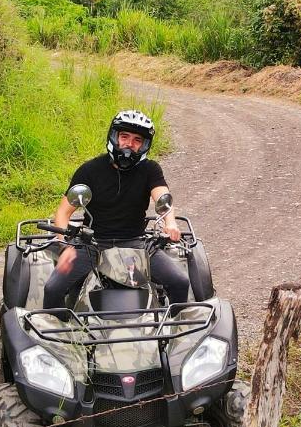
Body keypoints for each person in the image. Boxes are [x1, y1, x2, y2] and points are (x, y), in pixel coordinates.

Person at [43, 110, 191, 311]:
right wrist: (64, 247)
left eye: (137, 140)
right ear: (114, 137)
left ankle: (175, 334)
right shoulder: (90, 170)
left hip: (136, 243)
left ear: (145, 145)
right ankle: (56, 338)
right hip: (93, 243)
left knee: (180, 282)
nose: (130, 144)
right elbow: (63, 213)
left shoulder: (150, 169)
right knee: (53, 289)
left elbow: (162, 197)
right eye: (124, 137)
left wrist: (170, 222)